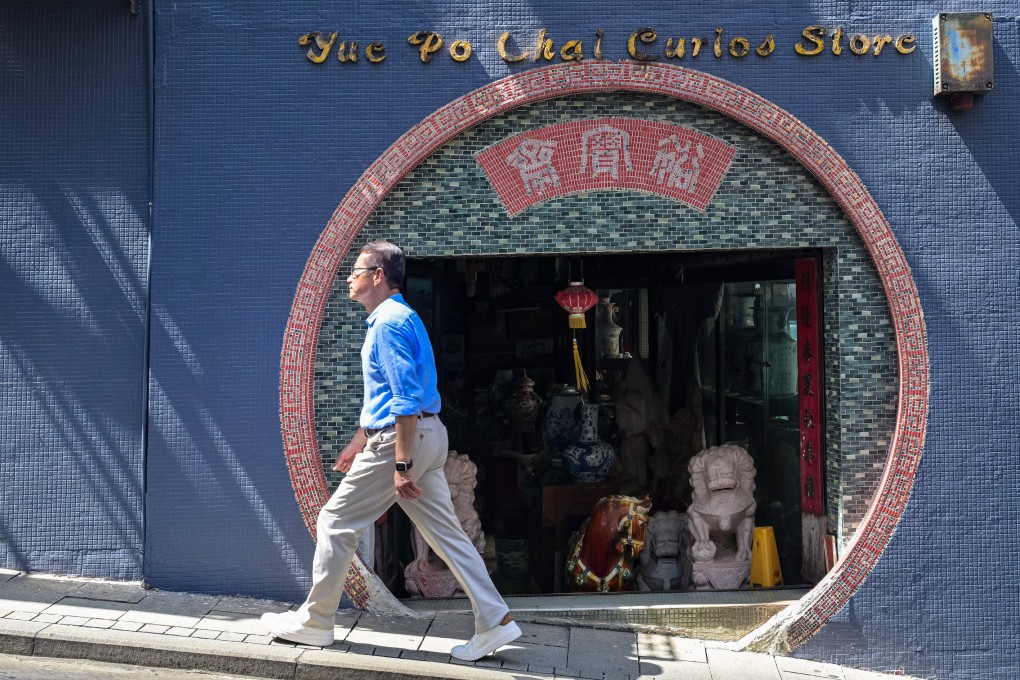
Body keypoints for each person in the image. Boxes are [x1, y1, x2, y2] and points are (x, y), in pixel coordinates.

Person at [261, 241, 521, 661]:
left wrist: (401, 464)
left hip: (404, 440)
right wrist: (359, 439)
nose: (349, 278)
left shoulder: (387, 324)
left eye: (356, 270)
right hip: (427, 435)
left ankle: (316, 622)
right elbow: (392, 397)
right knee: (448, 535)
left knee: (335, 521)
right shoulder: (403, 318)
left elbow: (404, 399)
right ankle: (495, 620)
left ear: (378, 276)